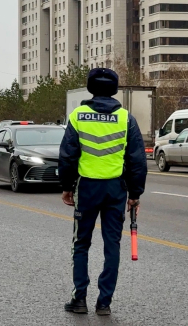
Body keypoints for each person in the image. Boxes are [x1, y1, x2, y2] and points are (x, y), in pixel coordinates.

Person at [59, 68, 147, 316]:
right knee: (112, 246)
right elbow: (137, 160)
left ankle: (80, 299)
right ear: (114, 89)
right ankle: (104, 303)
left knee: (81, 244)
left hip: (87, 188)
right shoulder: (126, 118)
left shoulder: (78, 116)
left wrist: (66, 187)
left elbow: (67, 156)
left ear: (90, 87)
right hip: (115, 190)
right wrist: (135, 194)